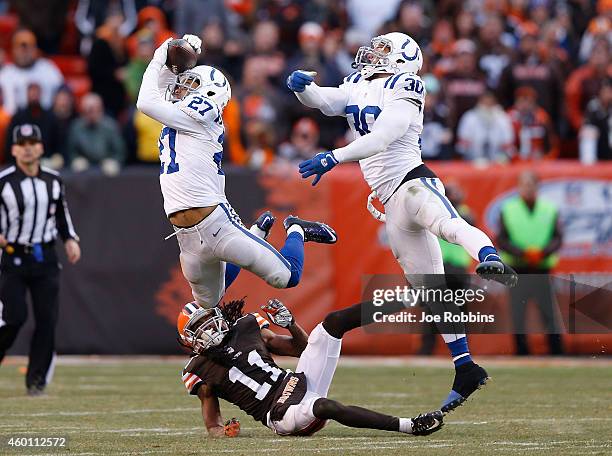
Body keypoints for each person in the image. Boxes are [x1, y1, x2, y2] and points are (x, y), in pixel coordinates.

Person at [287, 31, 519, 413]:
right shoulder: (362, 82)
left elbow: (384, 136)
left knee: (447, 224)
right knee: (429, 289)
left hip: (411, 180)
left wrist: (333, 157)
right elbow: (328, 101)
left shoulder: (406, 84)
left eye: (382, 50)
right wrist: (303, 89)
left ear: (400, 59)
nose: (372, 54)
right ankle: (465, 366)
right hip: (390, 198)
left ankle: (488, 255)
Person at [136, 36, 338, 310]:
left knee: (286, 276)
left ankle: (296, 230)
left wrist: (162, 51)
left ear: (208, 94)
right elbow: (160, 85)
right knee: (207, 307)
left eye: (192, 84)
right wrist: (183, 51)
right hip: (185, 236)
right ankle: (256, 232)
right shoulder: (180, 113)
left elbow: (145, 101)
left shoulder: (203, 116)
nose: (181, 87)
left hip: (217, 224)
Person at [178, 298, 444, 437]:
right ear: (189, 339)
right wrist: (223, 432)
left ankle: (411, 297)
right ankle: (409, 425)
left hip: (298, 382)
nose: (209, 329)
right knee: (325, 406)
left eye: (209, 321)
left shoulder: (246, 327)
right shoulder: (197, 368)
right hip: (280, 413)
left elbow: (302, 349)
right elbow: (212, 425)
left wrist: (291, 323)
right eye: (200, 327)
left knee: (334, 322)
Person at [0, 124, 81, 396]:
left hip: (45, 256)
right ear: (13, 149)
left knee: (47, 319)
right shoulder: (4, 181)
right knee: (14, 317)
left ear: (41, 147)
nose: (27, 148)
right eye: (22, 144)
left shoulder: (53, 179)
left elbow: (61, 214)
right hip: (12, 256)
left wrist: (70, 239)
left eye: (32, 142)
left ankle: (36, 380)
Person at [497, 171, 564, 356]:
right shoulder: (508, 209)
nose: (527, 189)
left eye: (530, 185)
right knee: (518, 314)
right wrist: (523, 254)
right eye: (524, 185)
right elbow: (501, 239)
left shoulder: (549, 209)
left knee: (549, 313)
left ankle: (557, 352)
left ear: (537, 187)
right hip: (517, 270)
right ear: (518, 187)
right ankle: (521, 352)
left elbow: (558, 238)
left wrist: (542, 253)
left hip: (541, 268)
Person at [0, 29, 63, 115]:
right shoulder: (5, 74)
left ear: (36, 50)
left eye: (28, 49)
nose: (24, 53)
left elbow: (63, 93)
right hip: (12, 123)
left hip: (44, 121)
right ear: (13, 50)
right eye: (20, 49)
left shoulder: (48, 68)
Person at [66, 93, 126, 175]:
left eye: (92, 110)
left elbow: (120, 151)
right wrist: (76, 159)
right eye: (86, 111)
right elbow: (71, 150)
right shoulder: (76, 127)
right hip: (84, 169)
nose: (90, 114)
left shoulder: (110, 126)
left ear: (100, 109)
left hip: (107, 167)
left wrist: (115, 161)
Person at [456, 91, 515, 163]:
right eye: (485, 103)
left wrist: (501, 156)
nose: (487, 106)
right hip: (472, 160)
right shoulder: (469, 117)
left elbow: (508, 143)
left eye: (490, 103)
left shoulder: (503, 118)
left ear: (494, 103)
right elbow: (461, 146)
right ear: (479, 103)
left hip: (497, 161)